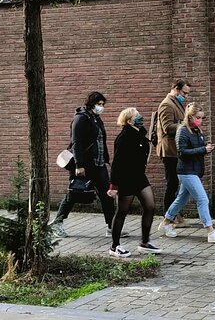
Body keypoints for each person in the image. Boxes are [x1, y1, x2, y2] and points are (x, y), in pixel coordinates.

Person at [157, 103, 215, 243]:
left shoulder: (197, 131)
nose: (200, 121)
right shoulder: (182, 131)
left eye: (202, 118)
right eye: (198, 117)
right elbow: (182, 152)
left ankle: (165, 223)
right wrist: (203, 150)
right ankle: (210, 231)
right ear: (190, 117)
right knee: (203, 199)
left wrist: (206, 147)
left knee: (181, 199)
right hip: (186, 171)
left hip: (194, 171)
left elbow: (196, 149)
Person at [50, 92, 116, 238]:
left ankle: (112, 227)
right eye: (99, 104)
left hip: (98, 163)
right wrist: (79, 165)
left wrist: (105, 159)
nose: (101, 107)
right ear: (91, 104)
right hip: (85, 164)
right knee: (74, 193)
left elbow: (100, 141)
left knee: (107, 194)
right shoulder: (81, 118)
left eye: (102, 104)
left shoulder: (96, 119)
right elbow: (76, 143)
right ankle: (57, 223)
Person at [107, 108, 162, 258]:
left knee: (150, 206)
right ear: (129, 121)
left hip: (139, 177)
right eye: (136, 115)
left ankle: (145, 243)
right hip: (126, 179)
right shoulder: (124, 138)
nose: (140, 117)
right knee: (122, 211)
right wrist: (113, 186)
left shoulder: (140, 134)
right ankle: (114, 246)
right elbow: (117, 163)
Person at [156, 79, 191, 224]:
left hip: (175, 150)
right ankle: (168, 215)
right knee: (172, 184)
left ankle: (174, 213)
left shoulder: (176, 103)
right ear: (176, 88)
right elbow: (167, 127)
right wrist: (186, 124)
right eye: (184, 93)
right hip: (169, 151)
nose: (186, 96)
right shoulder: (167, 104)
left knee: (176, 183)